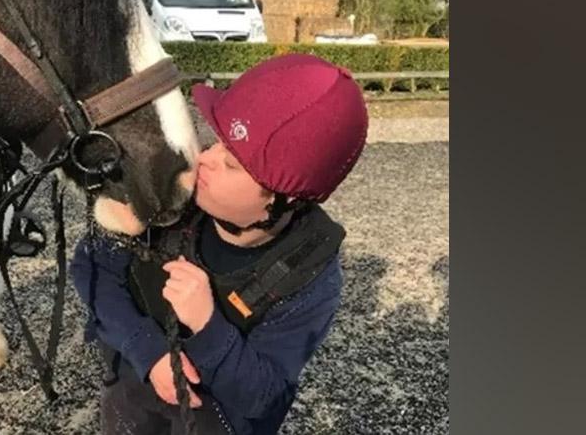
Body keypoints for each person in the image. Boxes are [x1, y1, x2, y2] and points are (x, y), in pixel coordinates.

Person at [71, 53, 369, 435]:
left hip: (219, 415)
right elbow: (91, 266)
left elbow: (265, 396)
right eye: (216, 142)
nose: (206, 160)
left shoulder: (307, 276)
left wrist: (208, 325)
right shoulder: (171, 195)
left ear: (286, 200)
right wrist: (148, 350)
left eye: (231, 164)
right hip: (136, 377)